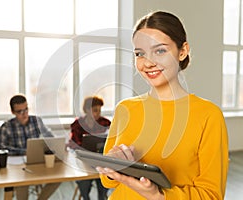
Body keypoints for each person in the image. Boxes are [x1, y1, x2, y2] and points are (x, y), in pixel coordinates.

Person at [97, 11, 229, 200]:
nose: (148, 63)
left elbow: (212, 195)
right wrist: (113, 167)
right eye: (140, 53)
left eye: (160, 51)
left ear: (182, 51)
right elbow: (108, 181)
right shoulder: (125, 109)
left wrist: (159, 196)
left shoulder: (208, 115)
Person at [0, 94, 61, 200]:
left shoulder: (36, 121)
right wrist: (24, 151)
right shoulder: (6, 126)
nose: (24, 114)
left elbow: (51, 138)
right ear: (12, 112)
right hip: (18, 167)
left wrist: (59, 145)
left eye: (26, 109)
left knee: (59, 177)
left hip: (36, 162)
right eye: (19, 111)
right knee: (22, 183)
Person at [67, 96, 111, 200]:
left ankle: (102, 197)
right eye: (95, 110)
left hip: (101, 159)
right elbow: (73, 145)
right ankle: (86, 198)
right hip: (83, 160)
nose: (98, 113)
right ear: (87, 110)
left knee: (104, 177)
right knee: (84, 181)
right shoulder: (77, 124)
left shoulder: (105, 123)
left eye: (99, 110)